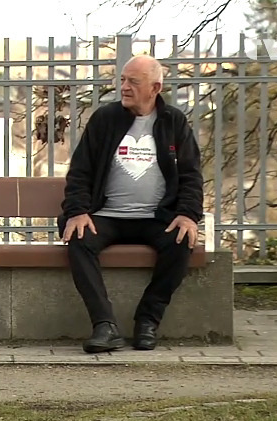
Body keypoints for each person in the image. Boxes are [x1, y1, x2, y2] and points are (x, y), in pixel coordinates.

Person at [57, 54, 203, 353]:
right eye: (122, 80)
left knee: (181, 240)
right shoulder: (105, 119)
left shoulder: (173, 121)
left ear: (155, 88)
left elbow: (191, 174)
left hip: (155, 218)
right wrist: (78, 211)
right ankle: (104, 325)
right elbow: (80, 171)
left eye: (133, 82)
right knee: (78, 238)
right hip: (106, 215)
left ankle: (147, 321)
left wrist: (188, 214)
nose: (124, 87)